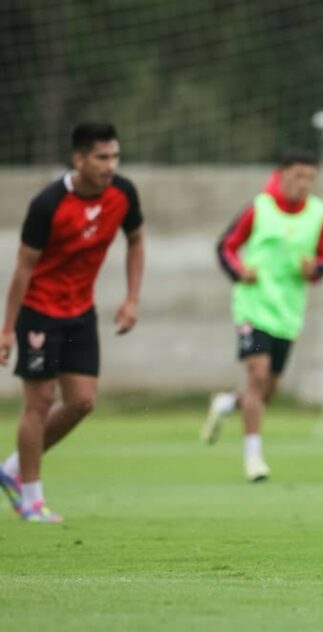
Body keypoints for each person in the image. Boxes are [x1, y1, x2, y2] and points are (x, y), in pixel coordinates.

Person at [0, 121, 144, 523]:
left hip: (81, 312)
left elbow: (136, 240)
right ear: (78, 159)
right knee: (39, 402)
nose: (111, 165)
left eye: (115, 156)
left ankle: (10, 470)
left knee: (82, 402)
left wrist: (132, 298)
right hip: (39, 312)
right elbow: (23, 268)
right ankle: (31, 498)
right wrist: (7, 328)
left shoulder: (123, 193)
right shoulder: (48, 204)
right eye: (102, 157)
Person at [202, 149, 323, 482]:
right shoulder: (259, 207)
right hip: (253, 305)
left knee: (266, 392)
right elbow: (226, 246)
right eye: (298, 176)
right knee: (257, 376)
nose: (303, 184)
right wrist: (239, 271)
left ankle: (227, 404)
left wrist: (314, 269)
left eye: (310, 178)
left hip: (288, 311)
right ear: (283, 174)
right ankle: (253, 459)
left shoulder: (319, 214)